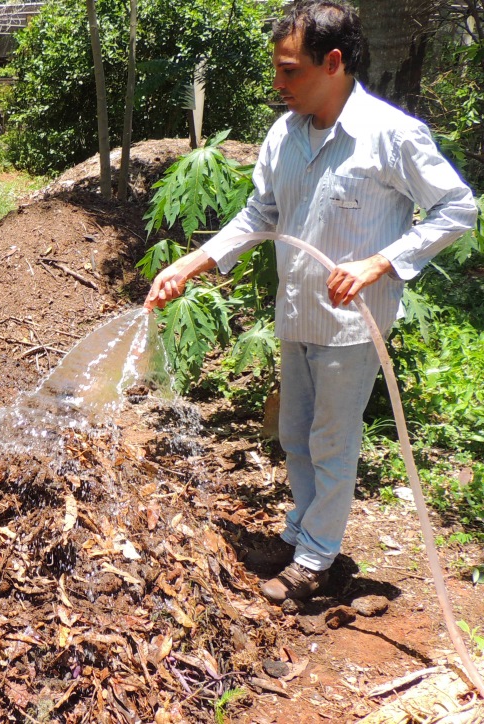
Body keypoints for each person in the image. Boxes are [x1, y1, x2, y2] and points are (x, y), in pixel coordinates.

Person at [143, 0, 477, 601]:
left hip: (354, 325)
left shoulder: (391, 136)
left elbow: (458, 208)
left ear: (334, 62)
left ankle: (318, 559)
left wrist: (380, 262)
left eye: (290, 70)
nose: (279, 85)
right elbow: (260, 214)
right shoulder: (284, 135)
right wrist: (194, 262)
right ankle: (304, 534)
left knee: (330, 440)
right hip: (296, 313)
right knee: (295, 434)